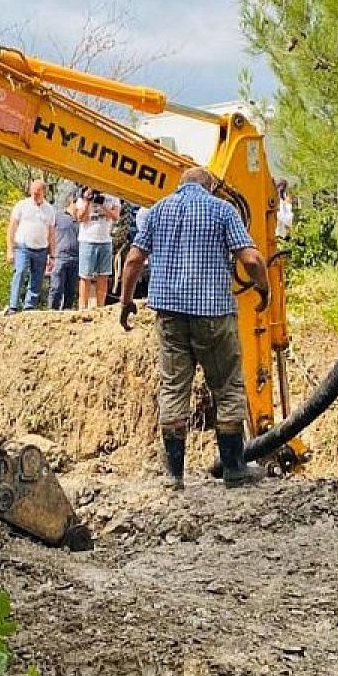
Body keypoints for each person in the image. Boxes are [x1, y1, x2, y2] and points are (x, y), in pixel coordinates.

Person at [118, 167, 271, 490]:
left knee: (173, 389)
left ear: (180, 184)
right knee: (227, 387)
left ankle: (174, 475)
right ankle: (233, 468)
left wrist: (126, 300)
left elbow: (133, 259)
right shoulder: (222, 210)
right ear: (212, 186)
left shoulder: (158, 210)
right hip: (214, 314)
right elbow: (253, 259)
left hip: (170, 316)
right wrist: (264, 290)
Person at [6, 179, 56, 314]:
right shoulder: (21, 205)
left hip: (41, 249)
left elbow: (51, 233)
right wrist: (10, 249)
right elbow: (11, 228)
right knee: (20, 272)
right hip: (23, 247)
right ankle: (13, 306)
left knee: (37, 278)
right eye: (33, 192)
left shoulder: (50, 210)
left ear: (44, 192)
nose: (35, 195)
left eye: (38, 193)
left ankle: (29, 306)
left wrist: (52, 255)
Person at [75, 187, 121, 308]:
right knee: (85, 276)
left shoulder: (113, 195)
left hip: (105, 240)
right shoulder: (84, 195)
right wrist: (88, 201)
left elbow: (116, 216)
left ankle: (101, 306)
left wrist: (103, 205)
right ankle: (83, 307)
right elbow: (80, 218)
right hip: (87, 239)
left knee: (104, 275)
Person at [48, 193, 80, 310]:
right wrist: (49, 255)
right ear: (72, 201)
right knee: (56, 288)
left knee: (70, 291)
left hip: (76, 258)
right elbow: (50, 234)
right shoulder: (58, 216)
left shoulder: (82, 219)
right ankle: (52, 311)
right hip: (60, 257)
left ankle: (67, 313)